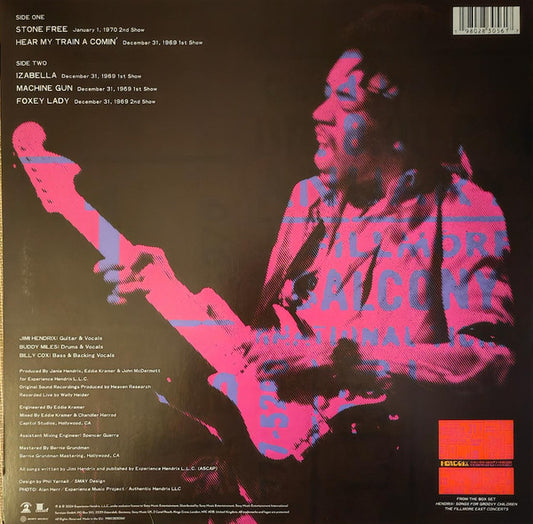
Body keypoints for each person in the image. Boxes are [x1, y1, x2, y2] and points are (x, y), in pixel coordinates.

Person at [95, 4, 514, 521]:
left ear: (399, 120)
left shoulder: (464, 208)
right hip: (280, 487)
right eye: (324, 93)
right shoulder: (308, 202)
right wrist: (168, 290)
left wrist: (339, 358)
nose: (319, 114)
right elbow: (263, 352)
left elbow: (493, 364)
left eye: (344, 100)